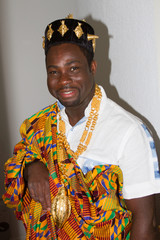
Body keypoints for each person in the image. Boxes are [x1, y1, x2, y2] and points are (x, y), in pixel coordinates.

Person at [2, 15, 160, 240]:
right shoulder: (39, 125)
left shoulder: (129, 131)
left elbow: (146, 224)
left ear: (92, 67)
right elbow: (17, 164)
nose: (63, 80)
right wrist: (31, 166)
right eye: (53, 71)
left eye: (73, 68)